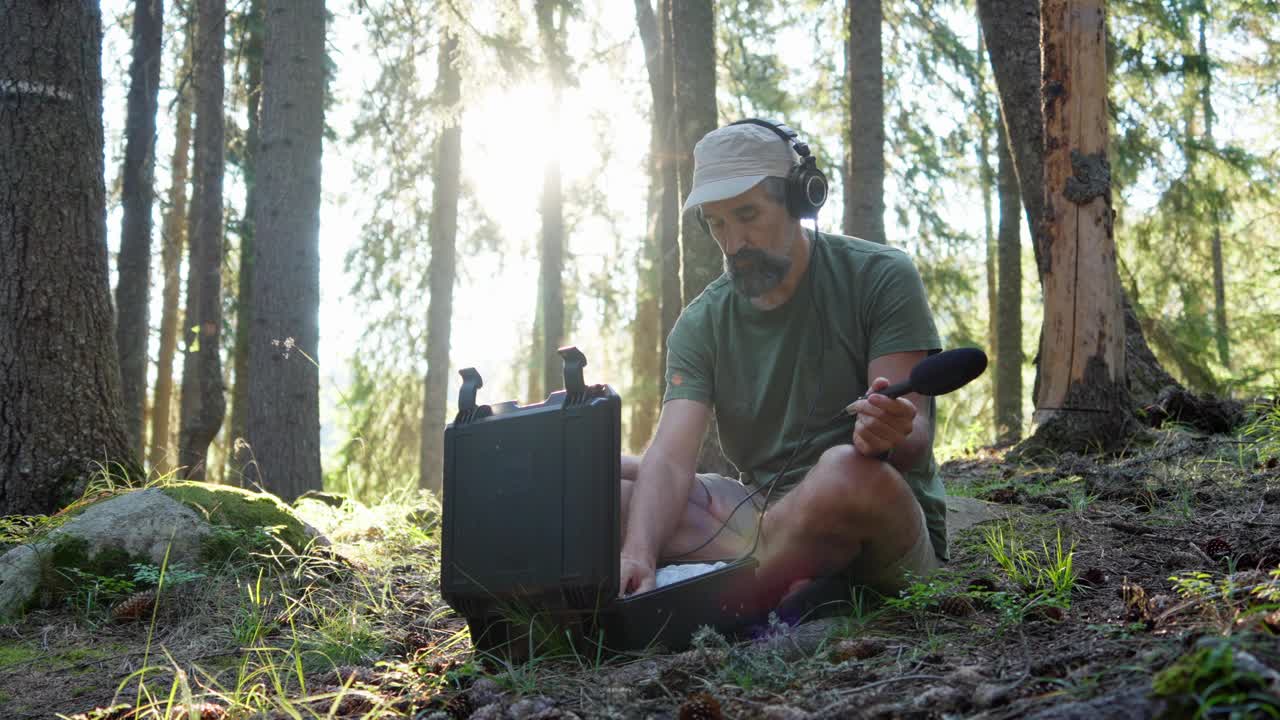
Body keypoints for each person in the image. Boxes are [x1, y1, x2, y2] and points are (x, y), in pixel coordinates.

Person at [618, 120, 947, 609]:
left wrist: (890, 432)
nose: (733, 241)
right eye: (717, 222)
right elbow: (670, 456)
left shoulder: (880, 277)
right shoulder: (700, 323)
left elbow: (914, 440)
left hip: (871, 509)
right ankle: (775, 579)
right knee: (607, 483)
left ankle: (718, 604)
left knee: (842, 473)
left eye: (747, 213)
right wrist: (638, 553)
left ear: (799, 200)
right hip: (758, 514)